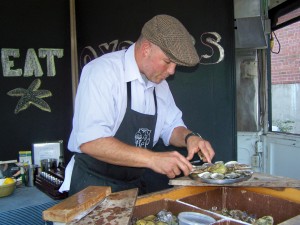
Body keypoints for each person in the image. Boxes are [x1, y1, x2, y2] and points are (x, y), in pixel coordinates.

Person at [59, 14, 215, 196]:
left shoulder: (160, 85)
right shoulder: (102, 72)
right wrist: (152, 159)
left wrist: (190, 138)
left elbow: (171, 127)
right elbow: (91, 141)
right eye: (167, 61)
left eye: (175, 64)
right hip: (93, 186)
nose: (172, 71)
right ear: (147, 48)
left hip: (132, 187)